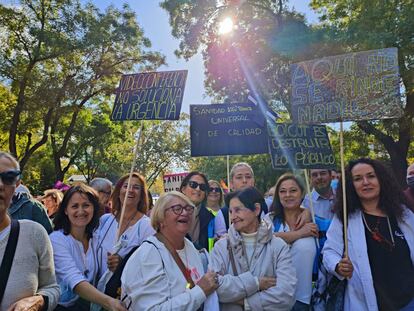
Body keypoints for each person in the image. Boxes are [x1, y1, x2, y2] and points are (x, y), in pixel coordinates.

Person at [323, 158, 414, 311]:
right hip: (367, 303)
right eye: (357, 179)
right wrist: (338, 265)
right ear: (351, 186)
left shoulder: (403, 214)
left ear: (381, 179)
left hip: (409, 302)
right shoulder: (344, 218)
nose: (365, 182)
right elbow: (329, 251)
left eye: (371, 176)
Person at [121, 191, 219, 310]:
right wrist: (200, 291)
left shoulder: (190, 247)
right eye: (177, 208)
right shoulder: (149, 255)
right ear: (161, 218)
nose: (185, 212)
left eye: (188, 208)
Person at [210, 186, 296, 310]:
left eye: (238, 210)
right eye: (230, 211)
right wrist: (256, 283)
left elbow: (286, 295)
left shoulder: (278, 246)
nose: (233, 216)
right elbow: (214, 287)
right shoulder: (221, 247)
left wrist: (244, 302)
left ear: (256, 209)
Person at [50, 183, 126, 311]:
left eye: (86, 205)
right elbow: (74, 280)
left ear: (93, 208)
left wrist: (116, 262)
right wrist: (109, 302)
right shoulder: (56, 240)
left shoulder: (97, 238)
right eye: (75, 206)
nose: (81, 211)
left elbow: (104, 272)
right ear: (65, 210)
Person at [0, 151, 60, 310]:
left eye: (8, 177)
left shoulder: (34, 234)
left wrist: (38, 301)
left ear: (17, 185)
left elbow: (52, 288)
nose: (0, 184)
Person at [266, 174, 318, 310]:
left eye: (293, 190)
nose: (288, 195)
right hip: (275, 296)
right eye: (282, 191)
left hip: (306, 299)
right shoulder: (269, 220)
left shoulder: (314, 220)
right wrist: (300, 233)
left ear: (302, 193)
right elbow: (264, 239)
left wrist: (308, 212)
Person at [96, 173, 155, 279]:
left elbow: (151, 265)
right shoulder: (105, 220)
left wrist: (124, 264)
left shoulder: (147, 226)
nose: (130, 190)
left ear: (142, 195)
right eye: (126, 186)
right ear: (118, 192)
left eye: (136, 187)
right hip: (97, 291)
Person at [180, 171, 226, 250]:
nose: (198, 189)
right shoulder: (169, 213)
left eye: (202, 187)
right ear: (183, 189)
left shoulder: (211, 218)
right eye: (193, 185)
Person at [206, 180, 227, 248]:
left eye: (217, 190)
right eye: (210, 189)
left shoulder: (227, 212)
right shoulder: (201, 212)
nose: (214, 191)